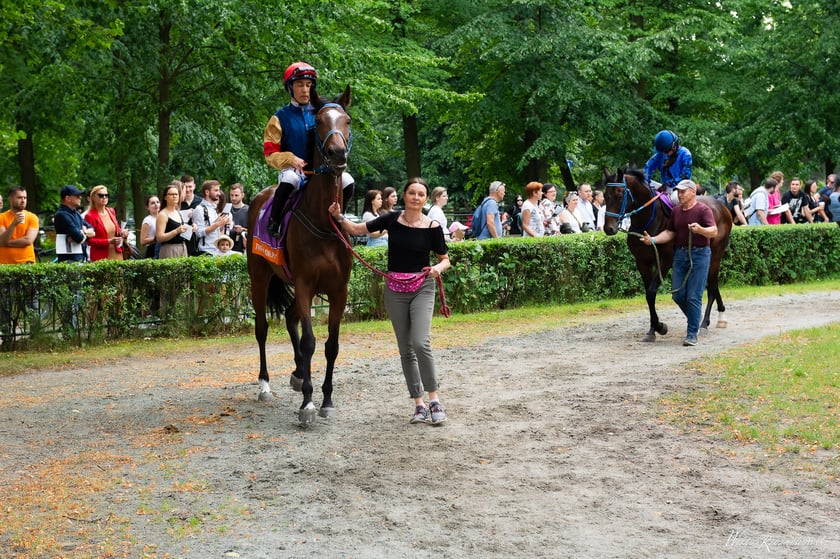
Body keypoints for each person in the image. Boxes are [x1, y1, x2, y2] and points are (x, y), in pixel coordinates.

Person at [329, 177, 451, 425]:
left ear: (426, 199)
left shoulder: (433, 226)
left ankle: (435, 400)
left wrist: (438, 268)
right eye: (412, 193)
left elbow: (445, 259)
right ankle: (419, 404)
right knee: (406, 349)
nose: (416, 198)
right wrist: (339, 217)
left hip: (422, 286)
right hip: (395, 288)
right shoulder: (391, 220)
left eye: (421, 194)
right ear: (404, 196)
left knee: (420, 342)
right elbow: (356, 230)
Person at [263, 61, 354, 236]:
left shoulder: (323, 113)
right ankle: (274, 222)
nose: (305, 90)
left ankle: (341, 218)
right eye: (299, 85)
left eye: (308, 85)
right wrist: (291, 159)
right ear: (290, 88)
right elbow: (269, 154)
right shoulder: (279, 118)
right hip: (294, 170)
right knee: (290, 179)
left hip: (322, 170)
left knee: (348, 181)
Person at [641, 179, 717, 347]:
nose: (679, 195)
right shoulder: (676, 212)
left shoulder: (703, 210)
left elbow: (714, 231)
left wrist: (701, 230)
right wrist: (653, 240)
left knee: (693, 296)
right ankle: (695, 321)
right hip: (680, 255)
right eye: (678, 192)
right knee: (677, 294)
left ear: (692, 192)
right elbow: (669, 232)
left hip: (700, 255)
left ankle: (691, 335)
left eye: (683, 191)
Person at [644, 130, 693, 204]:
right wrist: (646, 181)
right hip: (665, 186)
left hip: (680, 188)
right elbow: (648, 166)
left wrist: (668, 184)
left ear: (674, 146)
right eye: (662, 151)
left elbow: (685, 177)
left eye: (666, 151)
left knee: (675, 199)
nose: (664, 153)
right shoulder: (661, 153)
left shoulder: (685, 154)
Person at [83, 185, 126, 261]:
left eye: (106, 195)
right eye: (101, 195)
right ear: (93, 197)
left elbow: (117, 231)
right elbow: (90, 241)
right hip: (101, 256)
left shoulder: (111, 211)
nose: (104, 197)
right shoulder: (90, 216)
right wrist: (109, 241)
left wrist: (123, 233)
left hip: (117, 253)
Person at [53, 185, 95, 263]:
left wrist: (84, 233)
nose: (80, 197)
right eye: (77, 196)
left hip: (81, 258)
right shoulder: (62, 215)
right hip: (69, 261)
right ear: (67, 198)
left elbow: (93, 230)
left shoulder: (76, 213)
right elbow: (78, 237)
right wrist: (82, 234)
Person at [0, 186, 39, 264]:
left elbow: (28, 240)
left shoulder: (32, 217)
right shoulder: (2, 217)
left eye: (25, 198)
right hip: (5, 264)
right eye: (19, 198)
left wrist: (8, 243)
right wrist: (13, 224)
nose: (23, 201)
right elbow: (2, 241)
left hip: (27, 262)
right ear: (10, 198)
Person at [192, 179, 231, 257]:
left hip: (216, 251)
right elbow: (199, 232)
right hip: (205, 251)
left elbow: (215, 231)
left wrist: (223, 223)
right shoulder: (200, 209)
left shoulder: (213, 209)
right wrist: (217, 224)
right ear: (207, 192)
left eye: (219, 191)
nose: (219, 193)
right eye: (216, 190)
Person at [156, 183, 190, 259]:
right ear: (165, 197)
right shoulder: (163, 214)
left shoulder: (178, 213)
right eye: (171, 194)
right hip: (169, 249)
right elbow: (159, 237)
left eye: (176, 194)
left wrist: (190, 229)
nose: (174, 196)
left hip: (183, 248)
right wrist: (176, 231)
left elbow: (182, 233)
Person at [228, 183, 249, 253]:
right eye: (231, 195)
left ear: (242, 195)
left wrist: (243, 230)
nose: (233, 198)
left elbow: (254, 231)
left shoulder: (248, 210)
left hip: (242, 249)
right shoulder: (226, 209)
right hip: (225, 249)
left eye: (236, 195)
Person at [140, 194, 161, 259]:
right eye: (152, 203)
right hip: (152, 250)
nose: (156, 205)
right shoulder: (147, 220)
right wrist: (155, 239)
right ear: (147, 207)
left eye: (157, 202)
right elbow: (142, 241)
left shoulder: (163, 217)